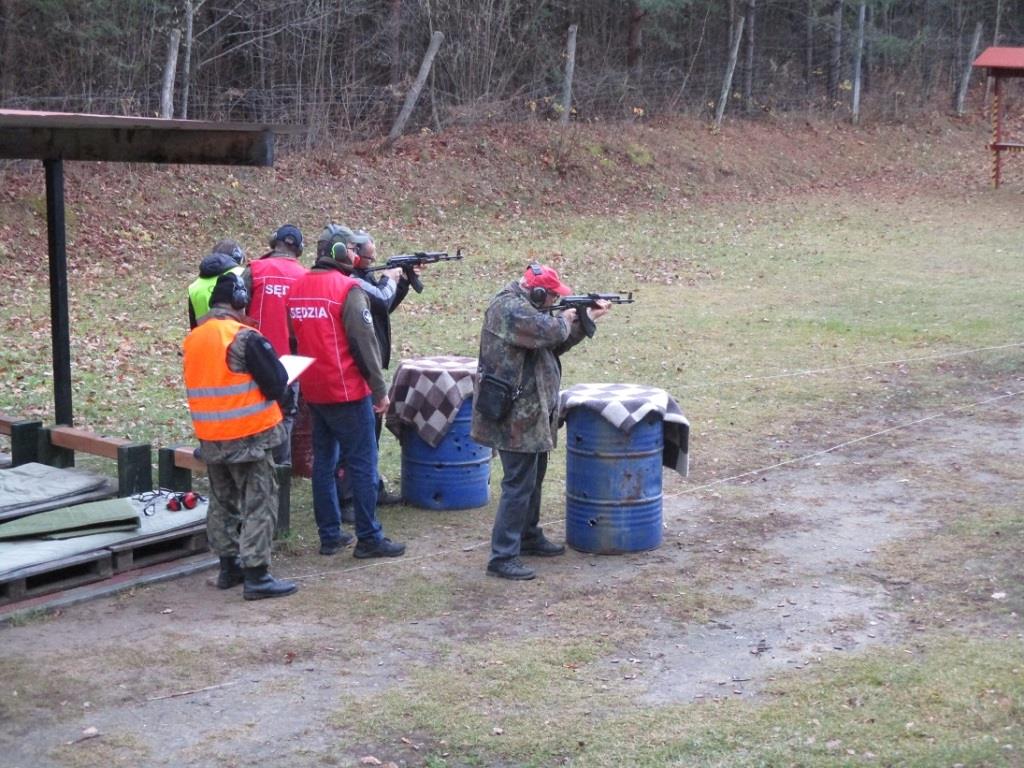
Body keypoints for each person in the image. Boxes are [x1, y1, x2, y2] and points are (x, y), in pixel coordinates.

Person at [470, 263, 611, 580]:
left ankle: (528, 535)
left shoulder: (530, 309)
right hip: (513, 413)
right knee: (518, 484)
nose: (554, 303)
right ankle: (502, 556)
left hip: (532, 410)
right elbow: (552, 331)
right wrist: (570, 316)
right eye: (552, 297)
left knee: (534, 477)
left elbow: (554, 343)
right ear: (536, 292)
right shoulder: (509, 308)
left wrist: (584, 318)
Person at [286, 237, 406, 559]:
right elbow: (365, 345)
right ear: (339, 254)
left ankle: (330, 535)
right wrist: (380, 390)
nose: (356, 255)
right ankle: (369, 537)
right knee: (364, 463)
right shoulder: (347, 290)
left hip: (315, 390)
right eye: (351, 250)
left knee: (324, 463)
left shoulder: (296, 288)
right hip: (347, 392)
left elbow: (294, 340)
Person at [182, 272, 297, 600]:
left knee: (222, 502)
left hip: (211, 436)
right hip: (249, 436)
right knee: (259, 501)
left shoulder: (194, 337)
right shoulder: (245, 338)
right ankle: (257, 574)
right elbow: (276, 383)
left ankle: (228, 566)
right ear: (241, 300)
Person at [315, 224, 409, 508]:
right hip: (351, 378)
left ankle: (370, 489)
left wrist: (401, 282)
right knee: (356, 448)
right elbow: (379, 299)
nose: (361, 258)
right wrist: (390, 279)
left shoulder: (354, 280)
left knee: (368, 441)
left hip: (342, 378)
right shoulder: (349, 283)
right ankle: (350, 500)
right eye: (359, 253)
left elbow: (382, 306)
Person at [241, 224, 307, 467]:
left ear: (273, 243)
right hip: (291, 358)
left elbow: (237, 308)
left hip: (253, 356)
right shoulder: (305, 276)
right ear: (298, 249)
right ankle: (280, 467)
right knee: (286, 414)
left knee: (253, 410)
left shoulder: (254, 270)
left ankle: (252, 462)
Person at [186, 239, 246, 329]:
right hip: (238, 338)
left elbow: (194, 327)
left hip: (206, 339)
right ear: (238, 256)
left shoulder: (194, 287)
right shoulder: (242, 275)